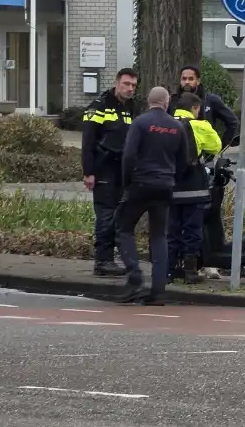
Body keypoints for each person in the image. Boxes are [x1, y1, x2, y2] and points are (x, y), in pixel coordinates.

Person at [114, 86, 194, 305]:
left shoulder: (140, 123)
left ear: (149, 102)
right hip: (165, 186)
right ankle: (158, 290)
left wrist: (127, 182)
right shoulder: (177, 127)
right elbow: (183, 160)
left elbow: (128, 155)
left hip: (140, 183)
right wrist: (172, 179)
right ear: (167, 103)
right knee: (159, 236)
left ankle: (135, 276)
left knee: (123, 227)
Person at [81, 67, 139, 277]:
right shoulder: (99, 106)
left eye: (133, 85)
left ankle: (112, 257)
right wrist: (89, 172)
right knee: (106, 214)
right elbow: (88, 141)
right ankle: (102, 261)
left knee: (119, 215)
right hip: (104, 167)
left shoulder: (132, 108)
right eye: (126, 84)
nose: (129, 89)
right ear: (116, 83)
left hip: (123, 170)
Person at [168, 92, 222, 284]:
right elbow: (216, 146)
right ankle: (190, 271)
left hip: (170, 186)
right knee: (192, 230)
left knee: (171, 229)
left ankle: (169, 270)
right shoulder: (200, 125)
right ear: (195, 108)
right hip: (194, 187)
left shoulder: (165, 124)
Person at [172, 64, 239, 147]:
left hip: (205, 156)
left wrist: (222, 145)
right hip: (176, 153)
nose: (187, 82)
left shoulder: (211, 101)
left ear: (198, 81)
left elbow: (232, 122)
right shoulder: (172, 101)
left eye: (191, 79)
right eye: (184, 78)